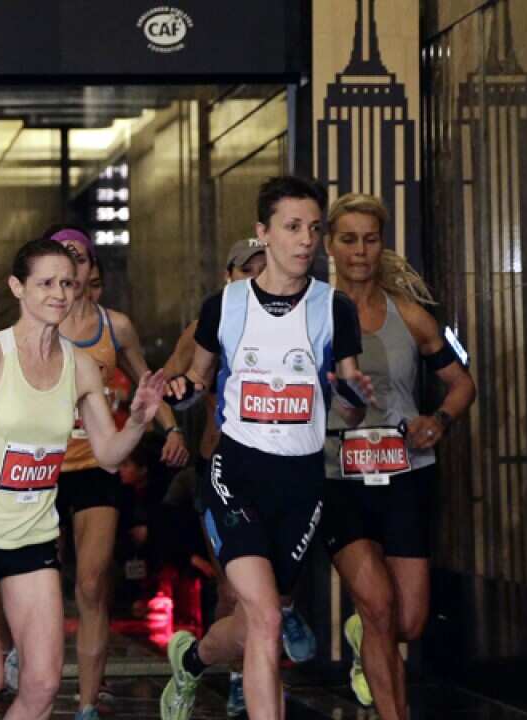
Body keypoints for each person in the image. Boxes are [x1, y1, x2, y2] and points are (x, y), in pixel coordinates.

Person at [0, 238, 164, 720]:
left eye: (67, 282)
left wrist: (136, 421)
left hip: (32, 538)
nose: (59, 293)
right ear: (17, 287)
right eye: (45, 283)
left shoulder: (82, 367)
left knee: (44, 686)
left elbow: (107, 454)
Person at [159, 176, 374, 720]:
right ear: (263, 233)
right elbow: (198, 382)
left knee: (263, 616)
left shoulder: (334, 309)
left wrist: (352, 398)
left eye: (313, 229)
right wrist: (173, 391)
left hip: (302, 483)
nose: (306, 240)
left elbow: (351, 404)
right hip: (237, 474)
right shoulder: (225, 306)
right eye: (292, 227)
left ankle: (193, 659)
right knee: (267, 619)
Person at [320, 193, 475, 719]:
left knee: (407, 621)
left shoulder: (412, 317)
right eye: (348, 240)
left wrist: (439, 421)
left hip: (407, 475)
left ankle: (368, 630)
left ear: (381, 244)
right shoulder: (311, 314)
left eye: (370, 238)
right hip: (337, 477)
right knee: (382, 607)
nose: (360, 251)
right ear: (330, 247)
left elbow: (461, 384)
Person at [162, 237, 318, 716]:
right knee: (238, 596)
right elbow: (165, 382)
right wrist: (173, 427)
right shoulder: (208, 324)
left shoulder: (302, 319)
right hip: (223, 472)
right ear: (228, 277)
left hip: (289, 476)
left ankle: (195, 659)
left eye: (263, 268)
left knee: (270, 604)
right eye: (246, 271)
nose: (257, 278)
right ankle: (239, 679)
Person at [41, 225, 189, 720]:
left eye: (80, 259)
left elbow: (149, 381)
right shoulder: (33, 324)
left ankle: (86, 702)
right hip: (37, 471)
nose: (73, 269)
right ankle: (18, 653)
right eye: (62, 259)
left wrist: (170, 429)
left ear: (90, 268)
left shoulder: (115, 326)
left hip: (97, 466)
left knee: (90, 583)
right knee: (32, 583)